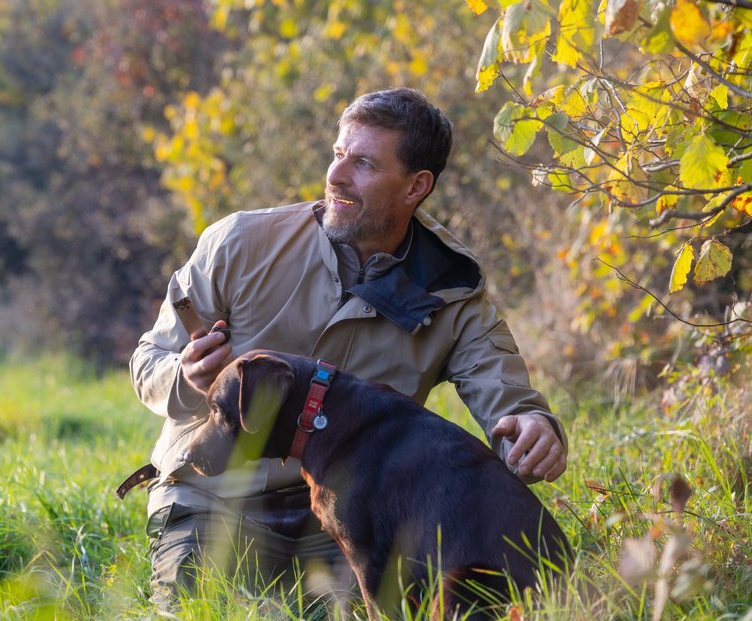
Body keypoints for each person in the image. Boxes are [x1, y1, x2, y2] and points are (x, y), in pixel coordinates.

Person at [129, 87, 568, 611]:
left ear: (416, 186)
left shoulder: (451, 289)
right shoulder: (238, 242)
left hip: (357, 518)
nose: (336, 175)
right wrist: (183, 374)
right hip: (213, 502)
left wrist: (534, 428)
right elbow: (146, 365)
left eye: (363, 163)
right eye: (339, 154)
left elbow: (508, 398)